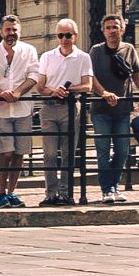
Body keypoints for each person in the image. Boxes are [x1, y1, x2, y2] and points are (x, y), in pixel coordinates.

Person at [34, 18, 94, 205]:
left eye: (68, 35)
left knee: (68, 152)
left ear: (75, 36)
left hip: (70, 108)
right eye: (60, 35)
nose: (64, 39)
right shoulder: (47, 56)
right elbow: (40, 86)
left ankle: (66, 193)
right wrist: (53, 91)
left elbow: (88, 85)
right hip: (49, 108)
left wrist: (68, 90)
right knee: (50, 153)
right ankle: (51, 193)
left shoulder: (83, 57)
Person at [0, 15, 40, 209]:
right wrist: (1, 94)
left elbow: (34, 76)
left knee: (19, 152)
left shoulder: (29, 50)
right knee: (5, 151)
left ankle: (12, 192)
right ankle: (0, 193)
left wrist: (17, 92)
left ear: (19, 31)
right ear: (1, 31)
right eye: (8, 30)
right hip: (0, 109)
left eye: (14, 30)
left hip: (23, 108)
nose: (11, 33)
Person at [88, 15, 139, 204]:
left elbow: (137, 75)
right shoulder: (95, 51)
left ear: (122, 30)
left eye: (115, 27)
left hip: (122, 109)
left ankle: (115, 186)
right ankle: (107, 190)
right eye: (108, 27)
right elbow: (91, 77)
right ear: (103, 31)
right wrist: (104, 93)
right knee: (103, 151)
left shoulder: (129, 49)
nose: (112, 31)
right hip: (100, 110)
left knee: (122, 151)